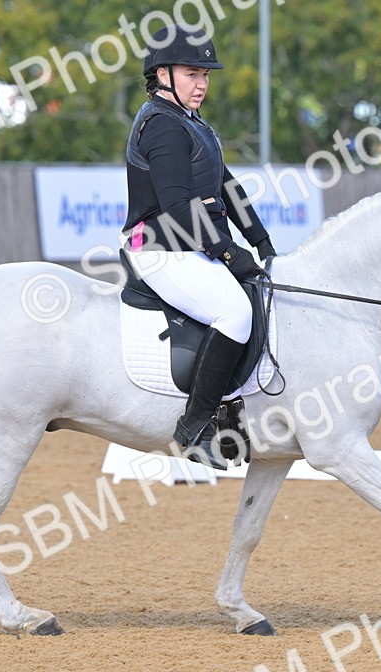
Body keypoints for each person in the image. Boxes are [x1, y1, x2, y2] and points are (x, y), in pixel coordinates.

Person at [121, 24, 276, 469]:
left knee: (255, 298)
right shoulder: (161, 127)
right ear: (162, 74)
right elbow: (177, 207)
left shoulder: (193, 124)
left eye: (206, 75)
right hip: (160, 248)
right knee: (235, 312)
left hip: (190, 245)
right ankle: (196, 425)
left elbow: (226, 186)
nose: (202, 83)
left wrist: (262, 244)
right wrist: (230, 253)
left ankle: (230, 408)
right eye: (192, 73)